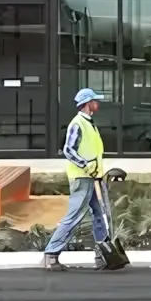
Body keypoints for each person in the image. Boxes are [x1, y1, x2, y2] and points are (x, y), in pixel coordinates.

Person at [42, 87, 109, 267]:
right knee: (74, 216)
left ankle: (103, 255)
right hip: (82, 178)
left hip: (94, 177)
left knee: (101, 216)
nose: (98, 103)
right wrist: (86, 166)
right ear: (88, 104)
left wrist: (96, 171)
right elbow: (68, 150)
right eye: (95, 101)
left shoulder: (89, 123)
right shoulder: (77, 124)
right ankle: (51, 253)